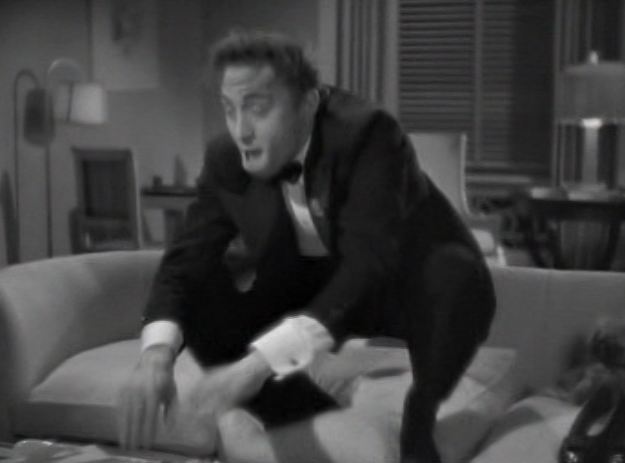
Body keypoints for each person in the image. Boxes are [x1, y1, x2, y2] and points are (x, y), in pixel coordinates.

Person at [118, 30, 496, 463]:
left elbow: (369, 267)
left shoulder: (369, 133)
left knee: (451, 273)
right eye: (229, 108)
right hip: (311, 279)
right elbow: (184, 261)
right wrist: (156, 356)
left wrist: (255, 366)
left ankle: (419, 419)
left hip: (402, 284)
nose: (241, 130)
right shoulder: (226, 156)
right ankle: (304, 415)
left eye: (258, 108)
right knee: (204, 286)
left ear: (309, 103)